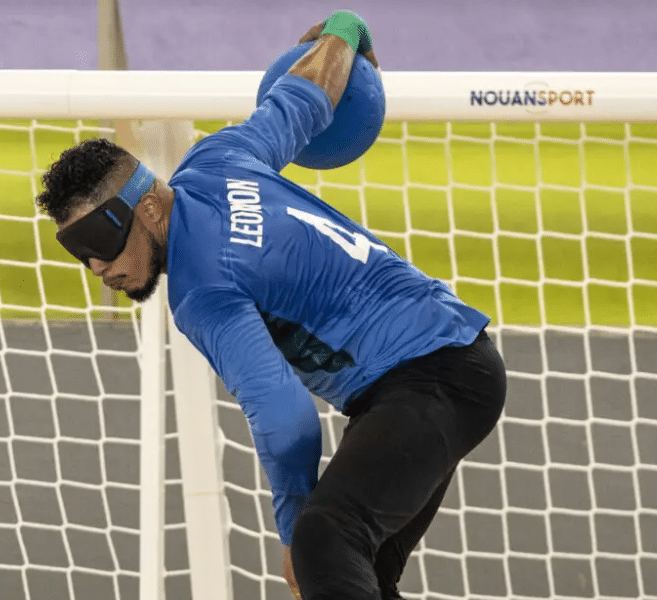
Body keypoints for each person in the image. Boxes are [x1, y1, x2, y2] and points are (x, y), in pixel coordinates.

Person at [35, 10, 507, 600]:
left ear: (150, 208)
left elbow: (285, 420)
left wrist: (292, 537)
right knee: (362, 568)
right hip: (453, 359)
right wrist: (346, 28)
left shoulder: (200, 289)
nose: (99, 267)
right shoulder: (221, 157)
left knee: (326, 541)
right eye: (81, 254)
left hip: (431, 379)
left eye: (102, 243)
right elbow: (308, 97)